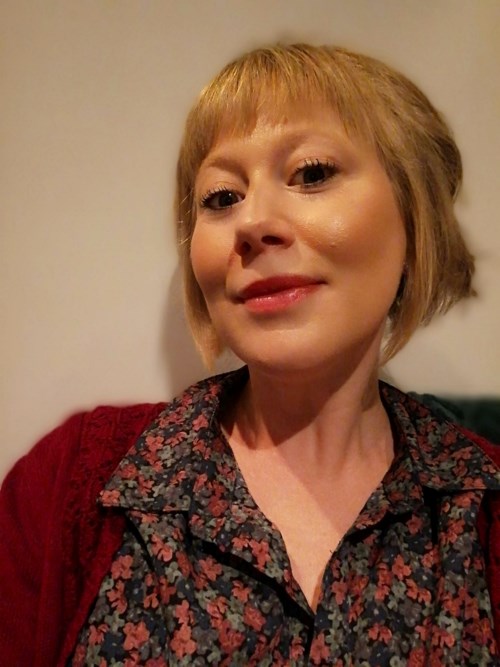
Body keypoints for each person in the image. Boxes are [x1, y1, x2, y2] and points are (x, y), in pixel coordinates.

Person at [1, 43, 499, 666]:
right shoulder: (65, 486)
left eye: (311, 173)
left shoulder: (485, 507)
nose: (253, 222)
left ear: (414, 215)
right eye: (221, 197)